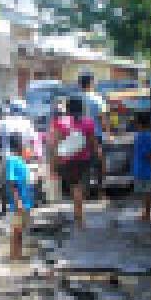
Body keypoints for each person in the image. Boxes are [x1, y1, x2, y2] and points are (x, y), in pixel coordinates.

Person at [49, 95, 101, 230]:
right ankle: (79, 217)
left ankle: (78, 216)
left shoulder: (60, 122)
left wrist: (53, 165)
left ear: (68, 108)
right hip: (83, 160)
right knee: (79, 188)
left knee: (75, 188)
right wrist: (97, 154)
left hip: (67, 160)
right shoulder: (88, 122)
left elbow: (55, 144)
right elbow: (92, 142)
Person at [77, 73, 109, 195]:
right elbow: (103, 118)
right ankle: (101, 191)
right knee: (99, 162)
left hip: (79, 136)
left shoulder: (75, 99)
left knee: (82, 163)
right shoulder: (97, 99)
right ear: (90, 83)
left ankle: (84, 191)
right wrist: (108, 133)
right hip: (96, 135)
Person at [4, 132, 34, 260]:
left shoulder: (20, 160)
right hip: (19, 201)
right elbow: (12, 183)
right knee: (16, 230)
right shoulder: (12, 160)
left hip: (26, 201)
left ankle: (18, 255)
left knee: (20, 230)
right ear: (19, 145)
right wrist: (18, 201)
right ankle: (13, 256)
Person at [131, 110, 151, 222]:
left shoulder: (138, 137)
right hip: (147, 168)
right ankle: (147, 212)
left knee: (145, 192)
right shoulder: (150, 136)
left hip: (140, 168)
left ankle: (146, 213)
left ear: (138, 124)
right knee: (148, 191)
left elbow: (145, 153)